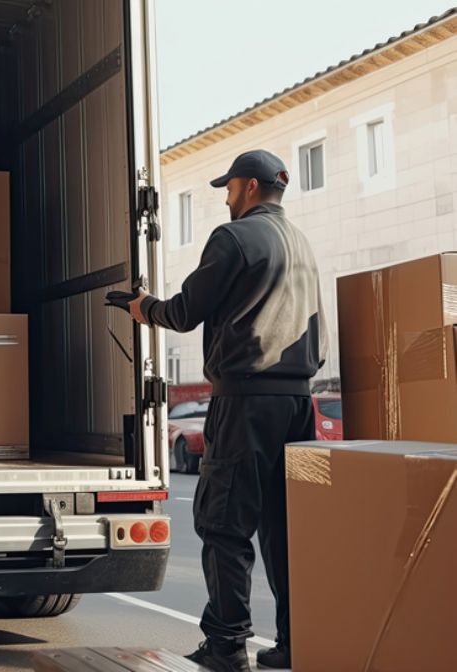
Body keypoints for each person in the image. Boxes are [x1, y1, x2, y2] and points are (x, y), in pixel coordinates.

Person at [129, 149, 327, 672]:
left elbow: (185, 311)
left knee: (222, 524)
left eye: (230, 187)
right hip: (298, 403)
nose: (226, 197)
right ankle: (294, 643)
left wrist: (144, 308)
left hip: (245, 402)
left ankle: (227, 645)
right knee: (282, 528)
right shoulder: (301, 243)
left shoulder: (234, 238)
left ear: (251, 187)